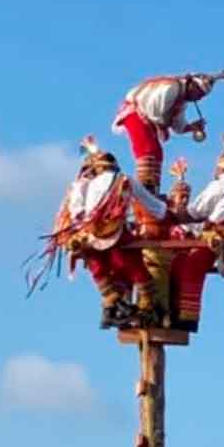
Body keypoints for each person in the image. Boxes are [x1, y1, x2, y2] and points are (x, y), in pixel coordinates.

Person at [52, 136, 169, 328]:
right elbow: (155, 207)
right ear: (114, 166)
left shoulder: (83, 184)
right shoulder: (124, 180)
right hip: (115, 234)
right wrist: (169, 213)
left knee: (100, 269)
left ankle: (111, 308)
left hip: (88, 236)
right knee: (136, 268)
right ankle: (146, 307)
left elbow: (76, 212)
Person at [167, 134, 224, 333]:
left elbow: (196, 212)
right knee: (185, 264)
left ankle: (186, 318)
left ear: (221, 169)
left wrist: (173, 215)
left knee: (191, 267)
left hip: (217, 240)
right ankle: (180, 314)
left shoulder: (221, 185)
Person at [110, 69, 224, 192]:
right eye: (198, 92)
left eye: (201, 96)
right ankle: (144, 187)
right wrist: (163, 126)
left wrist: (191, 127)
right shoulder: (172, 88)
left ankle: (152, 188)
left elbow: (177, 125)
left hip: (147, 120)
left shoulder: (181, 101)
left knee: (157, 152)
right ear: (190, 84)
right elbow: (154, 111)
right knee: (148, 149)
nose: (198, 98)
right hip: (135, 113)